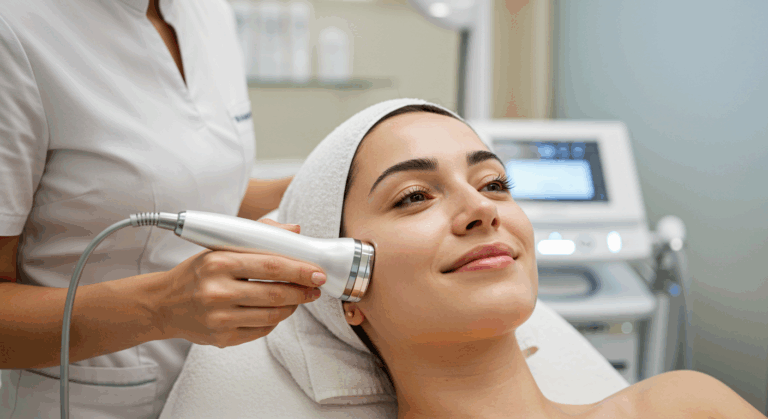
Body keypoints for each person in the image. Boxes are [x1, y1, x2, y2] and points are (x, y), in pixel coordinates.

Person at [159, 99, 766, 418]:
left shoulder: (683, 405)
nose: (481, 209)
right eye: (414, 196)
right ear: (347, 283)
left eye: (496, 183)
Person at [0, 0, 325, 417]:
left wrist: (344, 178)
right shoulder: (15, 28)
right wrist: (160, 306)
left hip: (214, 390)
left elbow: (199, 190)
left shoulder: (207, 11)